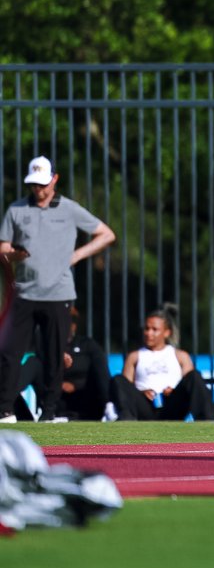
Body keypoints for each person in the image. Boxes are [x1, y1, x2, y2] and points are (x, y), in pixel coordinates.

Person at [0, 156, 116, 424]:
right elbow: (3, 247)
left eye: (43, 184)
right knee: (9, 352)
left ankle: (50, 412)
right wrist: (14, 255)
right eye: (34, 185)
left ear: (54, 179)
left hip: (58, 294)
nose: (38, 190)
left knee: (54, 356)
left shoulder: (70, 209)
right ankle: (5, 410)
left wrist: (77, 255)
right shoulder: (16, 209)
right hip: (24, 293)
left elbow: (106, 234)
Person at [108, 303, 214, 421]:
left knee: (194, 376)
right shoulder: (134, 356)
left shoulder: (180, 356)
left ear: (167, 332)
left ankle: (207, 420)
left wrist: (173, 390)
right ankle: (127, 420)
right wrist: (142, 393)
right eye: (147, 329)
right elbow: (126, 389)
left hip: (172, 405)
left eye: (154, 330)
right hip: (145, 406)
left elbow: (189, 385)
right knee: (118, 379)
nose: (149, 333)